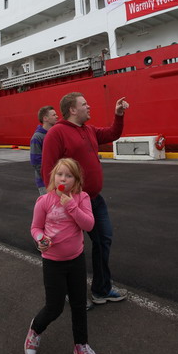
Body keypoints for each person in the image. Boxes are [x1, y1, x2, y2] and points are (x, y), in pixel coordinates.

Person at [41, 92, 129, 305]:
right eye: (84, 104)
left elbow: (112, 134)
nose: (89, 107)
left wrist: (118, 114)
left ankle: (101, 290)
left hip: (94, 200)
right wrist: (61, 202)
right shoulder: (57, 133)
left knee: (103, 241)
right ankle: (74, 294)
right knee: (69, 251)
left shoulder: (88, 130)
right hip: (69, 203)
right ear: (72, 109)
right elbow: (48, 172)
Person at [24, 158, 102, 354]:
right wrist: (41, 240)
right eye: (60, 174)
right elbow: (35, 228)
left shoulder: (81, 197)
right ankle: (36, 329)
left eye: (69, 176)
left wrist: (72, 206)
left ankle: (81, 345)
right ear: (53, 177)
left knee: (78, 305)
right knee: (54, 307)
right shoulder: (45, 201)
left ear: (76, 180)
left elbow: (89, 223)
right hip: (53, 263)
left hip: (76, 260)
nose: (63, 179)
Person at [30, 106, 58, 195]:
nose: (57, 116)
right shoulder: (37, 137)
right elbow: (36, 162)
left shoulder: (55, 134)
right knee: (51, 207)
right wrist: (50, 177)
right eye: (54, 115)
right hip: (45, 183)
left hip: (58, 179)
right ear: (45, 118)